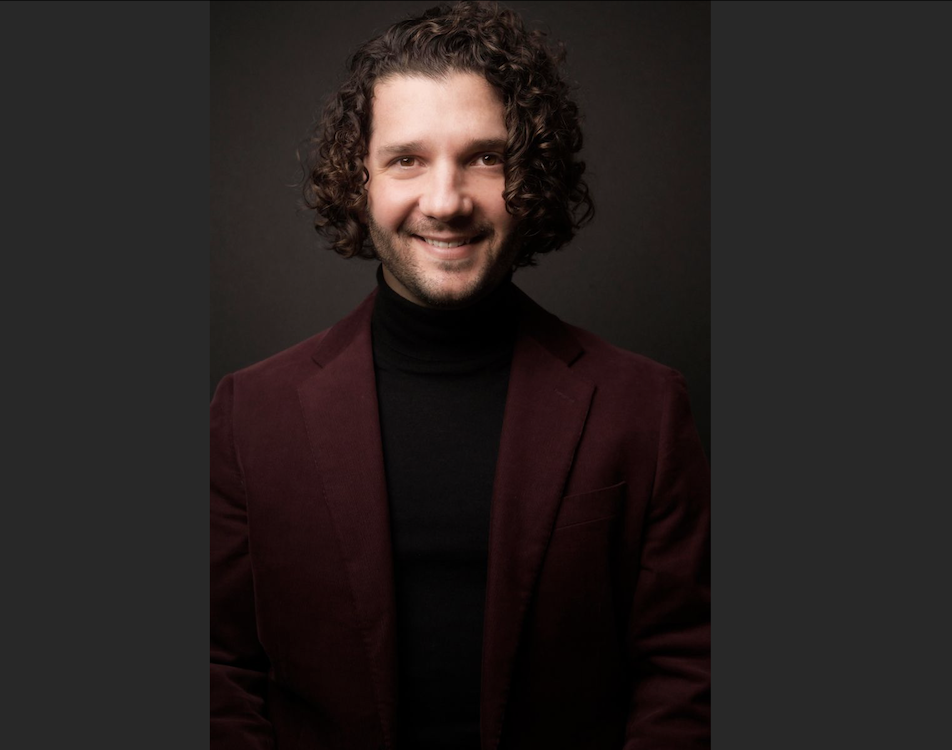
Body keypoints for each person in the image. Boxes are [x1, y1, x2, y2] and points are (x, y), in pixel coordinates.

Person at [210, 2, 710, 748]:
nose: (446, 202)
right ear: (359, 180)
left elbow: (686, 665)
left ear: (533, 175)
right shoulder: (250, 412)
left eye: (486, 157)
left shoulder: (644, 407)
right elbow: (217, 667)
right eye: (406, 159)